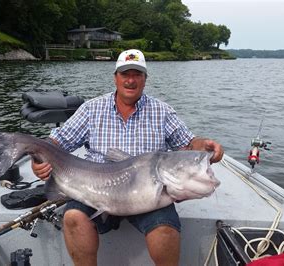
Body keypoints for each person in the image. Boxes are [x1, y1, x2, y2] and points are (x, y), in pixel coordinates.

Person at [32, 49, 224, 266]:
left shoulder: (161, 111)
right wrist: (39, 160)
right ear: (115, 77)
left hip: (148, 194)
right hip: (97, 188)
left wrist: (204, 146)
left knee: (165, 231)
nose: (131, 80)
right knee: (73, 218)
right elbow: (57, 142)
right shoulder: (91, 109)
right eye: (125, 74)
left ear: (145, 79)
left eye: (137, 74)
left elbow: (188, 144)